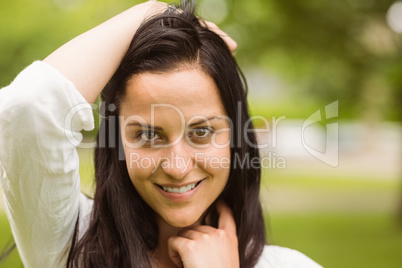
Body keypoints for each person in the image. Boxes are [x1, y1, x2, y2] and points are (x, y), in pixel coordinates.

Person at [0, 1, 322, 267]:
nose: (177, 167)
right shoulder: (73, 245)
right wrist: (153, 11)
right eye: (148, 136)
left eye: (202, 131)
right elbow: (28, 107)